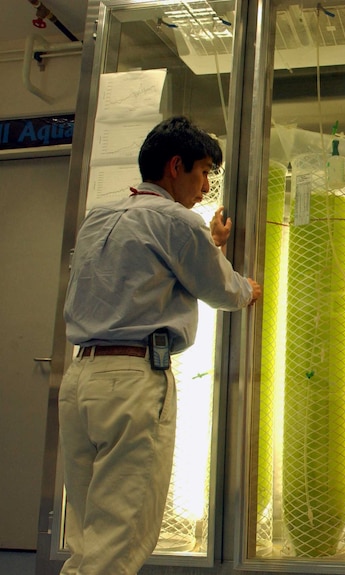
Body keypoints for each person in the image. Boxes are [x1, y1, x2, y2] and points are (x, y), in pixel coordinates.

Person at [58, 116, 261, 574]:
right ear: (175, 166)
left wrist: (209, 245)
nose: (206, 186)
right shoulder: (177, 221)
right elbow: (221, 290)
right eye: (203, 170)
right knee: (119, 540)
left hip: (80, 382)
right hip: (132, 385)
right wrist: (247, 287)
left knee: (87, 537)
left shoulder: (99, 218)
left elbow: (139, 274)